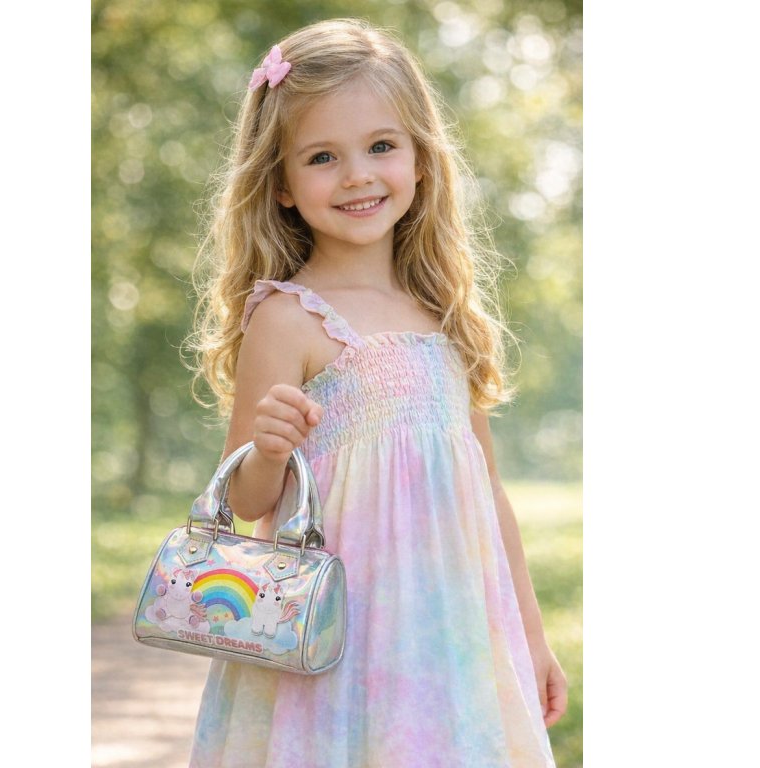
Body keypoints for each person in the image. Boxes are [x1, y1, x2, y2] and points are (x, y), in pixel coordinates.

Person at [187, 18, 566, 767]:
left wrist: (531, 634)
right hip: (335, 643)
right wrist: (269, 448)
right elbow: (247, 502)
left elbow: (488, 492)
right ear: (282, 185)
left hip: (449, 641)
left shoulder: (444, 316)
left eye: (381, 146)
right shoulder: (288, 318)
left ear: (421, 160)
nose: (357, 175)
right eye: (322, 157)